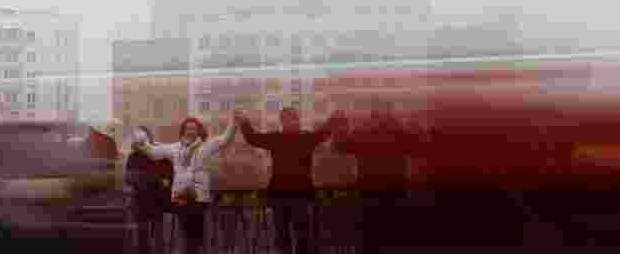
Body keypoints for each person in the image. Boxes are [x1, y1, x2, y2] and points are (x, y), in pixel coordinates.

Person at [235, 107, 346, 254]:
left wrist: (334, 118)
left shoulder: (306, 138)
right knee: (283, 236)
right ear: (282, 122)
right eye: (287, 119)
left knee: (303, 235)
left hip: (301, 195)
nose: (291, 122)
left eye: (293, 118)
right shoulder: (276, 138)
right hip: (280, 196)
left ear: (298, 120)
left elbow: (324, 132)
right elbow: (253, 138)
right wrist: (244, 122)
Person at [133, 115, 238, 254]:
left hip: (199, 195)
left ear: (199, 130)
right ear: (183, 131)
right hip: (180, 195)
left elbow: (225, 139)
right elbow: (153, 153)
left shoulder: (206, 146)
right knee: (186, 233)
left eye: (193, 128)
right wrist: (141, 142)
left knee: (196, 234)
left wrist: (234, 122)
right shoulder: (174, 148)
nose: (190, 131)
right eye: (187, 128)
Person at [333, 100, 423, 254]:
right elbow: (417, 147)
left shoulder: (364, 130)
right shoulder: (396, 129)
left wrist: (339, 127)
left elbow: (341, 146)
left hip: (370, 191)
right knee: (391, 235)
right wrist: (416, 127)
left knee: (369, 236)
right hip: (393, 190)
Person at [126, 126, 171, 254]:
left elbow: (166, 177)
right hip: (141, 202)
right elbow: (129, 178)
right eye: (137, 138)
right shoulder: (133, 157)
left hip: (158, 202)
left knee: (159, 237)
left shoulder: (159, 154)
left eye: (143, 137)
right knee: (142, 235)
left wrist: (161, 181)